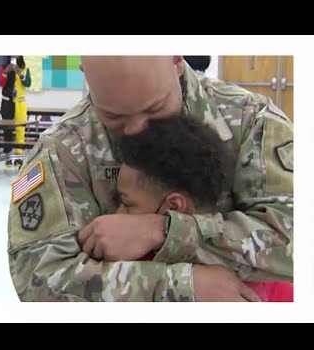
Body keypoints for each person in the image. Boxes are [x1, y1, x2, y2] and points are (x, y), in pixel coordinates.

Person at [7, 56, 293, 302]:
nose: (136, 131)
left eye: (155, 109)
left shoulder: (252, 121)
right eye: (114, 117)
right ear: (87, 75)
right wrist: (183, 286)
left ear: (177, 60)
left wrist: (163, 230)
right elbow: (37, 279)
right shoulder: (63, 150)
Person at [114, 115, 293, 302]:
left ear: (174, 206)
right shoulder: (273, 282)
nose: (116, 213)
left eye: (126, 204)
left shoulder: (128, 273)